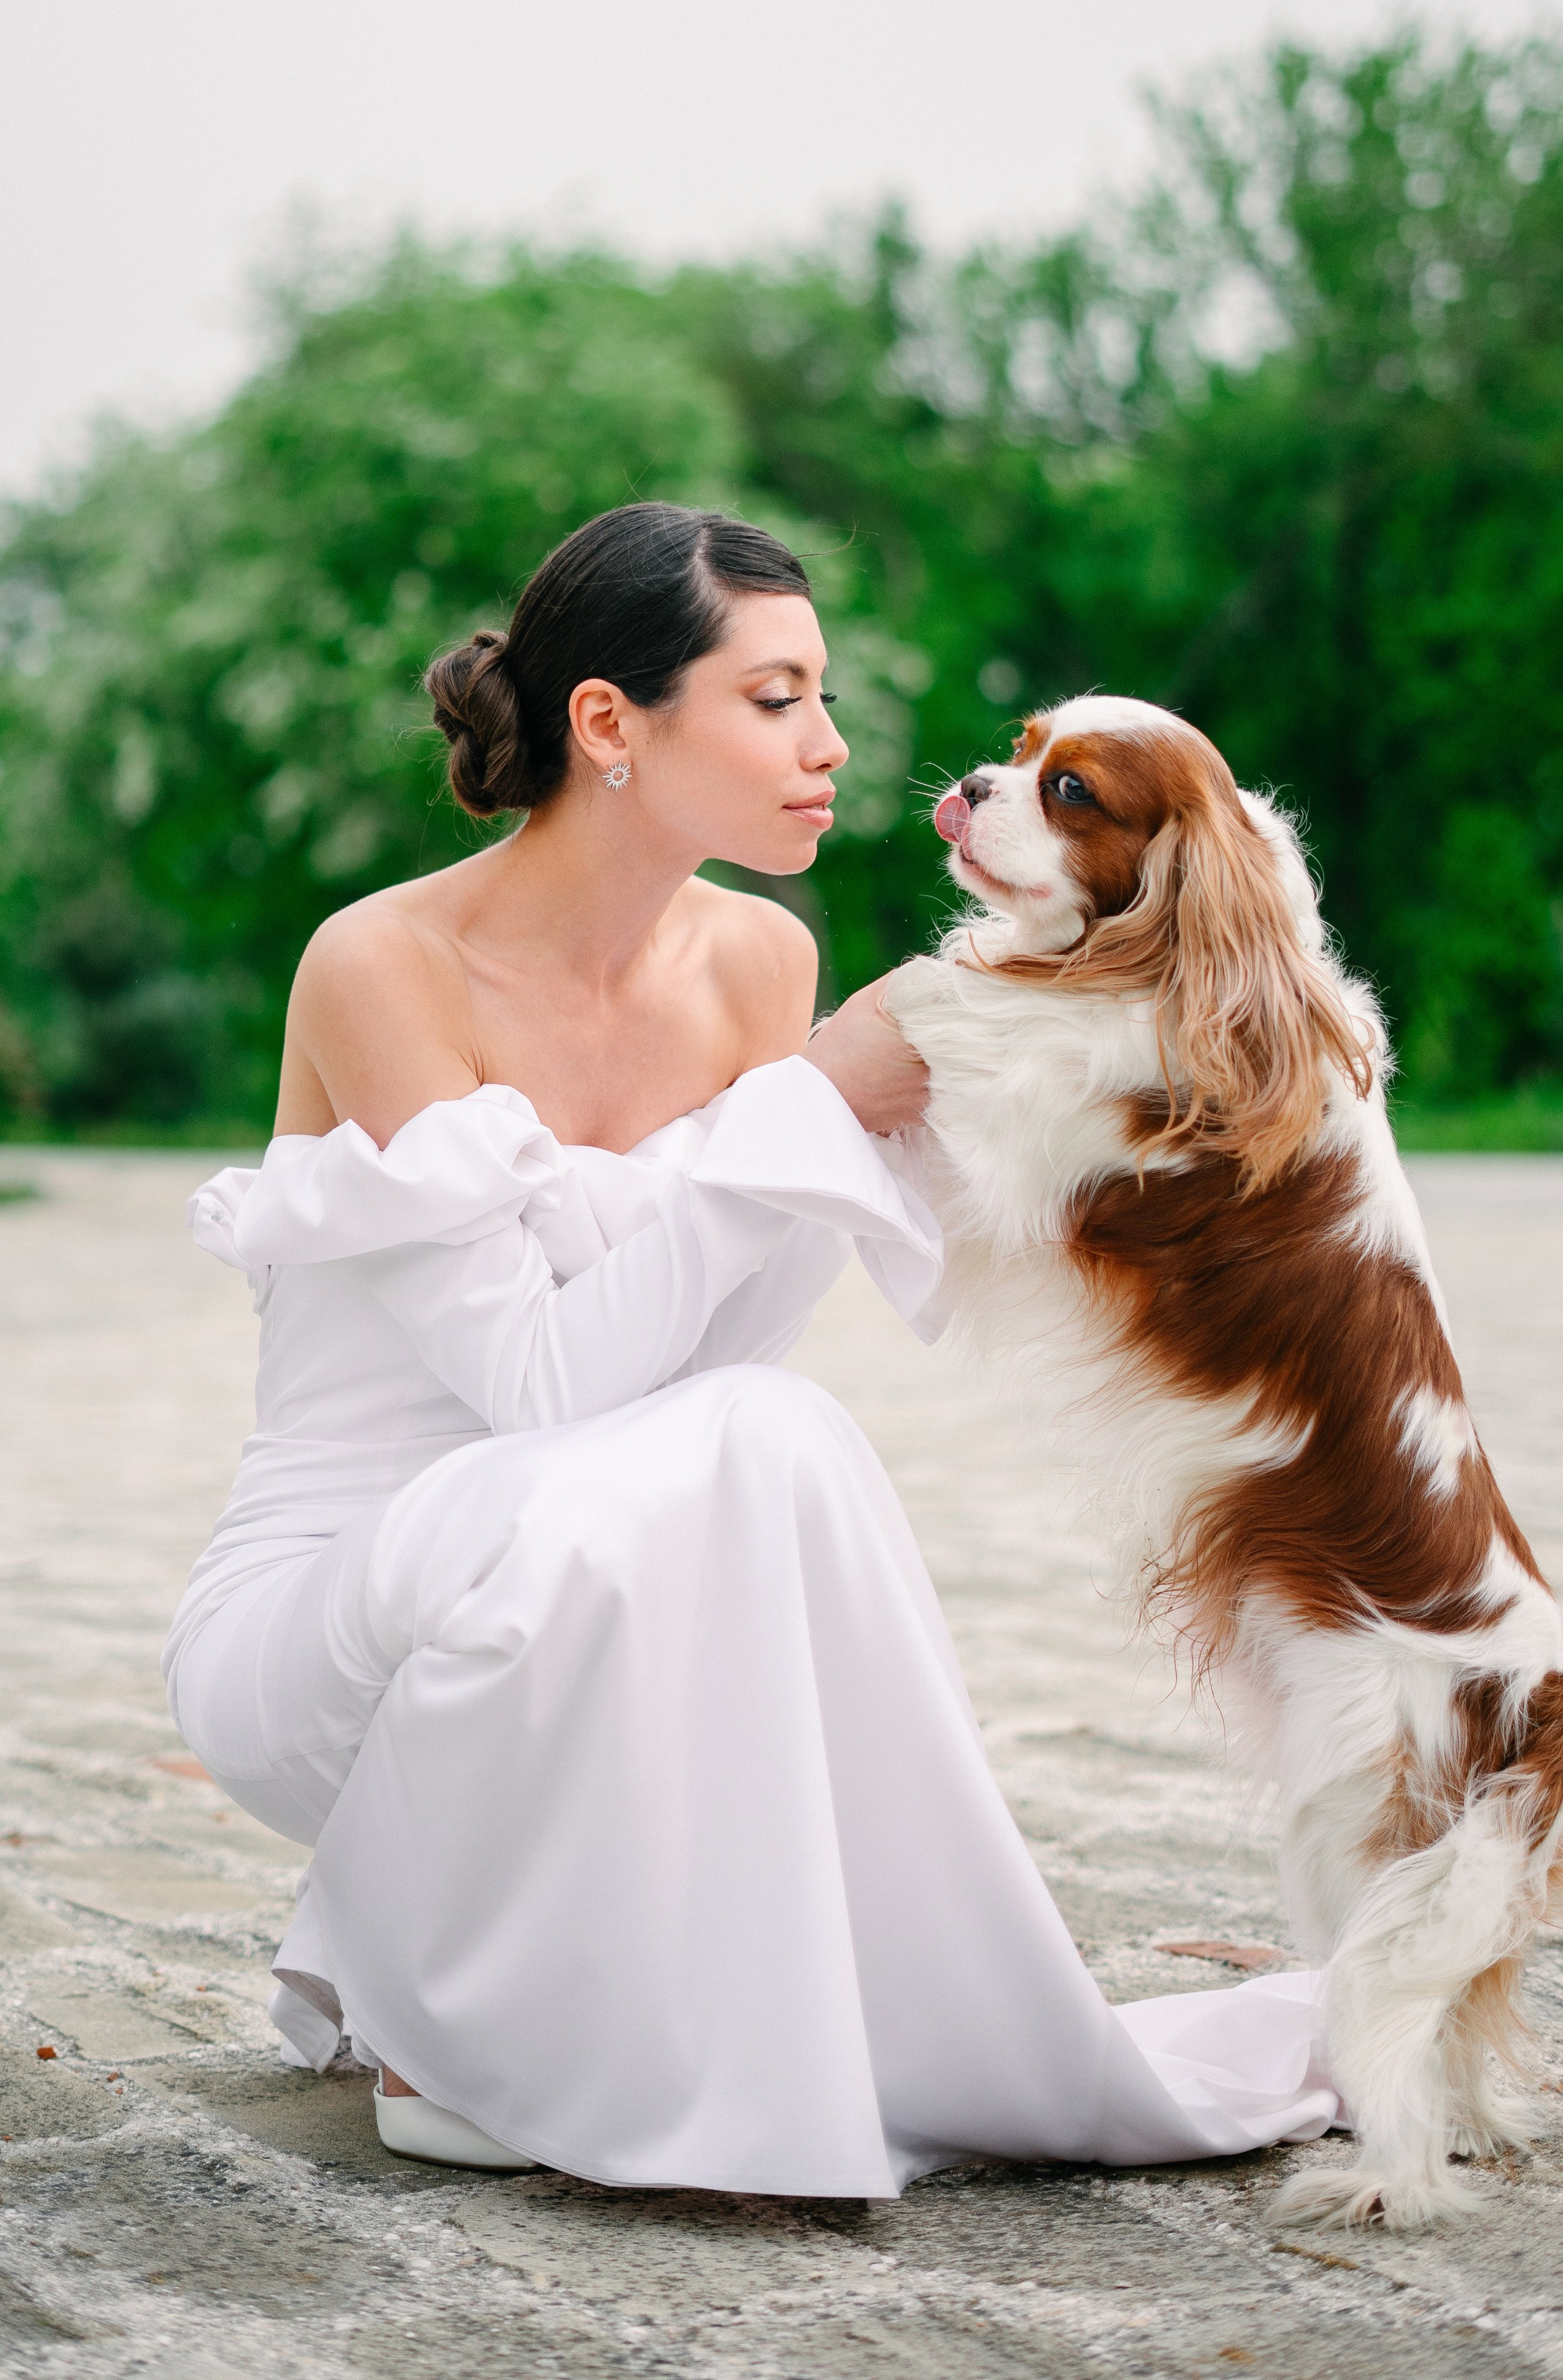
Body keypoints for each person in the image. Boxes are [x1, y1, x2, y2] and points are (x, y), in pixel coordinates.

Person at [166, 501, 1346, 2189]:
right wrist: (810, 1105)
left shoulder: (758, 959)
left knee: (772, 1428)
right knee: (753, 1436)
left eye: (825, 696)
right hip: (331, 1627)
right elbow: (545, 1389)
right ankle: (454, 2015)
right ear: (609, 725)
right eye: (775, 697)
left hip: (592, 1600)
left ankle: (621, 2006)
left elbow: (711, 1355)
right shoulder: (384, 962)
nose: (833, 746)